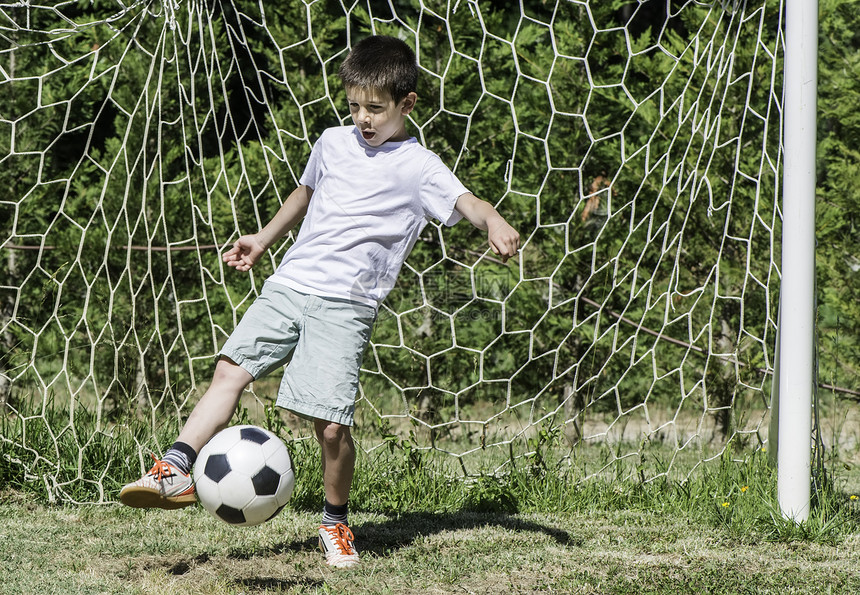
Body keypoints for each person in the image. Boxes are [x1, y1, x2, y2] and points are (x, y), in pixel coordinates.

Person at [119, 35, 520, 569]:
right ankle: (173, 468)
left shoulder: (419, 165)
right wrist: (262, 238)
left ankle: (334, 521)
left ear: (408, 103)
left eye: (375, 108)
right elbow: (305, 194)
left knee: (330, 426)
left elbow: (465, 200)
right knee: (229, 372)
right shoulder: (332, 141)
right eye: (354, 105)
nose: (363, 118)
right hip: (290, 283)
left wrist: (492, 219)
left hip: (346, 304)